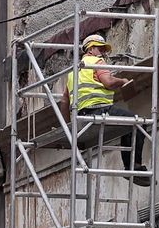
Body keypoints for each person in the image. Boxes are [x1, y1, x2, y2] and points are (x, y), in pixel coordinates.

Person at [60, 34, 151, 187]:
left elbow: (64, 101)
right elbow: (108, 82)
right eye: (100, 49)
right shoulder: (97, 62)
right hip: (99, 110)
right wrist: (122, 81)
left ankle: (131, 166)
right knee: (138, 124)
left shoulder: (73, 72)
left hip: (82, 116)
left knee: (127, 125)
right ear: (91, 49)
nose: (103, 53)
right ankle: (133, 166)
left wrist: (68, 126)